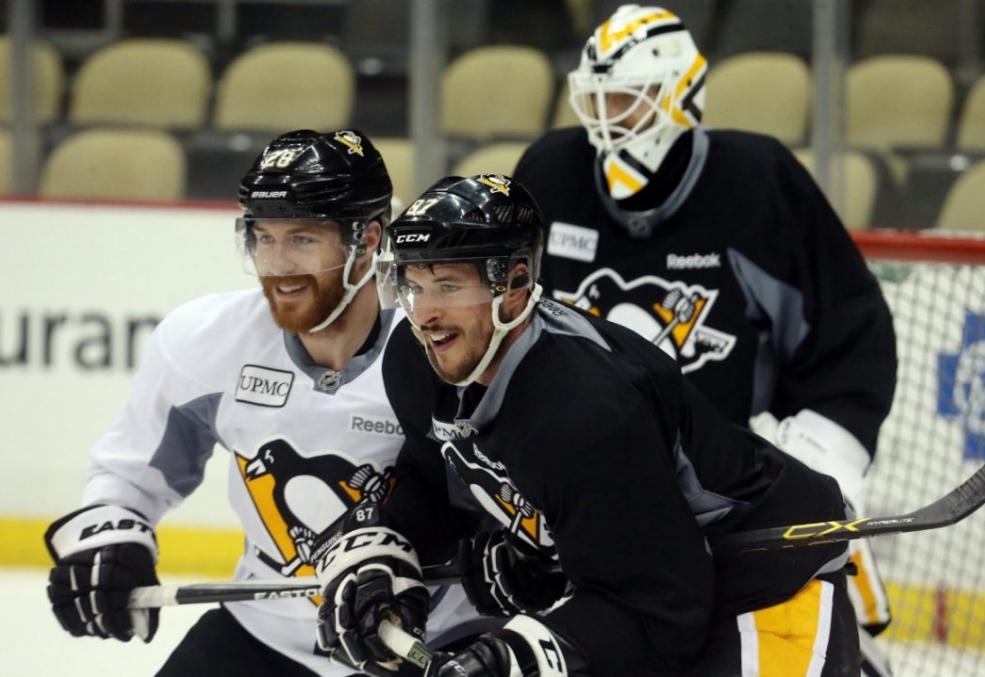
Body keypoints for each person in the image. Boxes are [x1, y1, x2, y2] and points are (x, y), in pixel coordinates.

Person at [311, 173, 861, 677]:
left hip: (767, 577)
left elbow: (663, 607)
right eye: (414, 286)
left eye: (450, 287)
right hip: (663, 569)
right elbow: (438, 477)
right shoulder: (415, 360)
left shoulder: (586, 411)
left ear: (517, 284)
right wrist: (384, 547)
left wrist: (519, 657)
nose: (426, 314)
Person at [511, 3, 899, 661]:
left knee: (814, 611)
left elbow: (849, 332)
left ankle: (851, 647)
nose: (609, 117)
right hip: (583, 484)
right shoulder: (550, 173)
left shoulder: (756, 184)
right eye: (599, 97)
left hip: (728, 489)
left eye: (630, 99)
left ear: (682, 96)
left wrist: (825, 451)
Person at [43, 129, 479, 677]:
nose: (277, 264)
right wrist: (113, 529)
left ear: (369, 240)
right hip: (263, 633)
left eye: (302, 239)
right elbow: (133, 471)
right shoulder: (207, 340)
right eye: (263, 237)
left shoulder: (449, 349)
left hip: (424, 638)